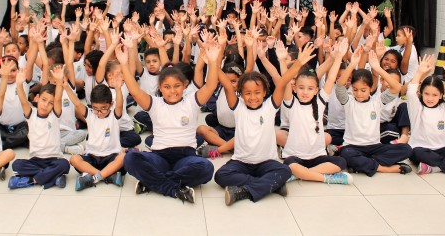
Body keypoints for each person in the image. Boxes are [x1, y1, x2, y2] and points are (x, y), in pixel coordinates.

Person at [117, 40, 221, 204]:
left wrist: (214, 61)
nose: (172, 91)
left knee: (206, 168)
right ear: (160, 87)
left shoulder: (191, 102)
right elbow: (135, 91)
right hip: (160, 157)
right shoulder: (155, 103)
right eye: (167, 87)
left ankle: (153, 182)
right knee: (130, 158)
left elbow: (211, 86)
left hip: (185, 157)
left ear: (184, 86)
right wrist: (123, 63)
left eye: (177, 86)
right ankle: (174, 189)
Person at [214, 45, 317, 206]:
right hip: (241, 162)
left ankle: (244, 191)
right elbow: (227, 84)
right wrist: (214, 62)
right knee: (221, 176)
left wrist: (299, 63)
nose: (252, 97)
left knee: (284, 171)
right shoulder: (238, 107)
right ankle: (270, 185)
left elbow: (283, 82)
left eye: (257, 93)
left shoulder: (270, 106)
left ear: (264, 93)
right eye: (248, 93)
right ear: (241, 93)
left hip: (266, 162)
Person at [62, 32, 126, 190]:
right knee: (75, 159)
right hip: (92, 156)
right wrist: (64, 86)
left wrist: (117, 88)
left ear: (110, 105)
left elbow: (120, 104)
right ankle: (105, 175)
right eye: (96, 109)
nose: (99, 112)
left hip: (111, 156)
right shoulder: (90, 115)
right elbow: (77, 103)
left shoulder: (114, 114)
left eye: (103, 108)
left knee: (124, 157)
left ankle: (92, 177)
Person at [282, 39, 351, 185]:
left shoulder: (319, 102)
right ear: (294, 88)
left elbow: (331, 78)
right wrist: (295, 63)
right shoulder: (291, 103)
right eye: (301, 88)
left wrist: (338, 57)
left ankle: (301, 175)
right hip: (295, 156)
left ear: (316, 90)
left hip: (317, 156)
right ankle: (325, 178)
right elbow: (285, 79)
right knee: (289, 165)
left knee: (341, 162)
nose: (305, 92)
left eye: (309, 88)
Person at [337, 49, 413, 176]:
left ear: (370, 88)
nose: (359, 93)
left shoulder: (377, 101)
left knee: (407, 149)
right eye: (355, 89)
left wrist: (378, 68)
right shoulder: (348, 101)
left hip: (375, 147)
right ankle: (385, 168)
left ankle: (364, 164)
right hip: (353, 146)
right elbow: (339, 86)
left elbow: (397, 87)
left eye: (363, 90)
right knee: (345, 154)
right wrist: (351, 65)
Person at [7, 66, 71, 189]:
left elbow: (57, 99)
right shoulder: (31, 114)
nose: (46, 105)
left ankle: (32, 180)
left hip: (53, 159)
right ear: (38, 98)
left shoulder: (54, 115)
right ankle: (54, 177)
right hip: (35, 160)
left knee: (64, 164)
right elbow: (23, 101)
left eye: (50, 103)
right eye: (44, 100)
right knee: (16, 165)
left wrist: (58, 82)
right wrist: (19, 84)